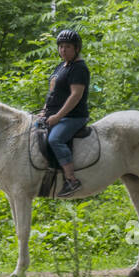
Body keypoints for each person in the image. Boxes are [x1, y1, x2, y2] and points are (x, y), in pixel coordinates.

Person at [36, 28, 90, 197]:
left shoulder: (79, 68)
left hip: (73, 116)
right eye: (60, 46)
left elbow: (76, 95)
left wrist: (58, 116)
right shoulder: (62, 66)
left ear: (76, 48)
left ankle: (71, 179)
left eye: (67, 47)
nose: (63, 50)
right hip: (54, 114)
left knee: (55, 139)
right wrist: (45, 111)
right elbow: (53, 93)